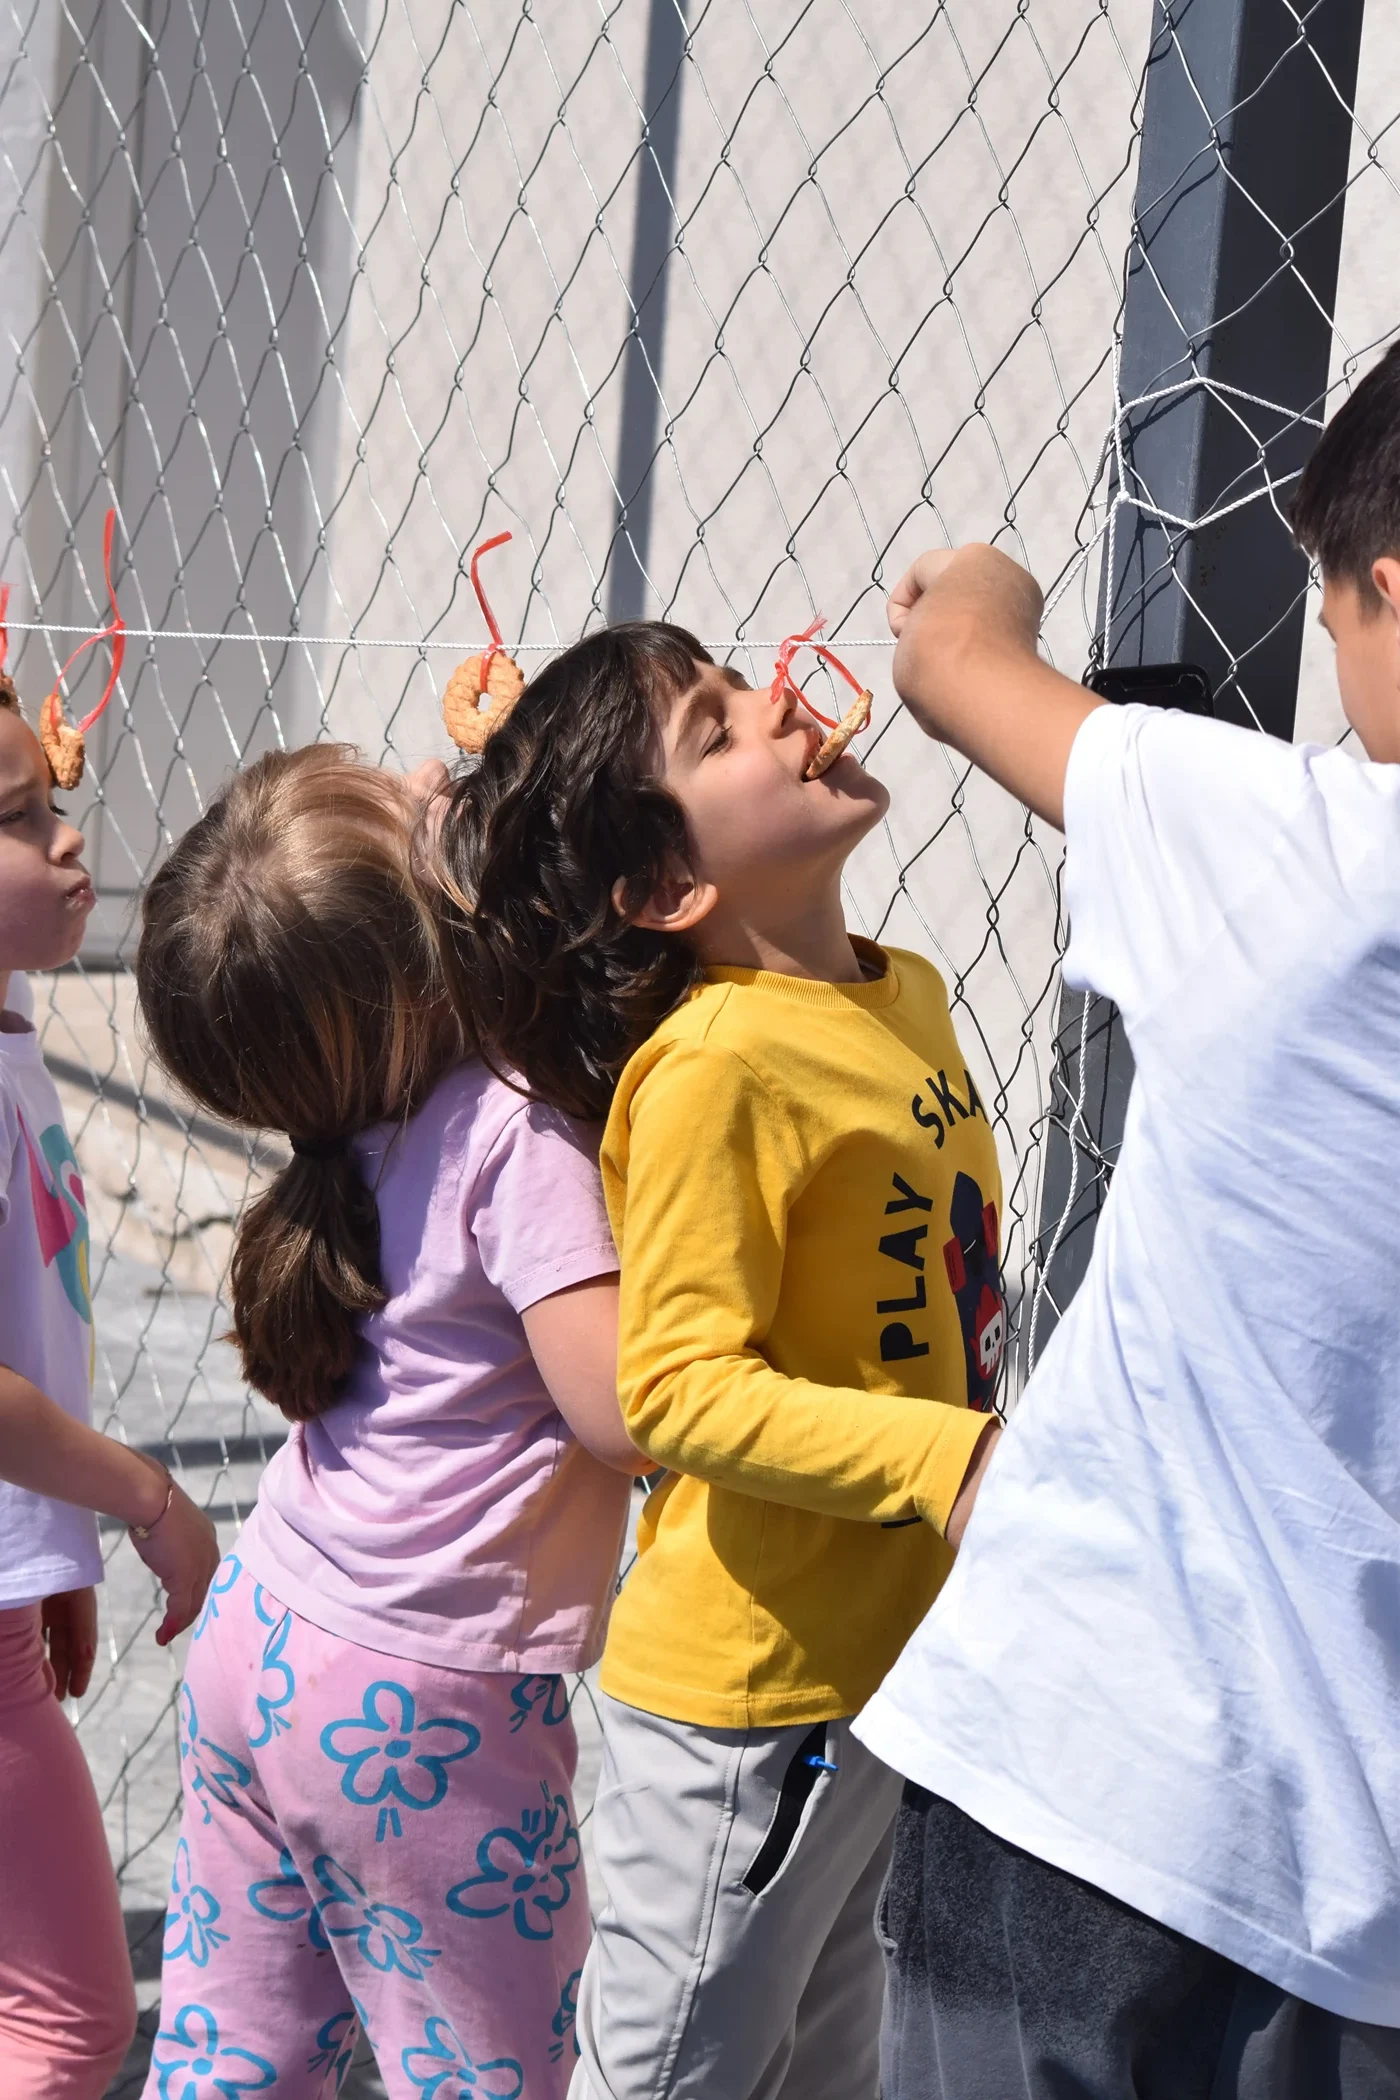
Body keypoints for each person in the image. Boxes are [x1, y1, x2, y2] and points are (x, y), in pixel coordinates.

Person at [856, 343, 1400, 2100]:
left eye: (1334, 617)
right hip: (1368, 1915)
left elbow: (954, 659)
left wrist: (983, 575)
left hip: (1083, 1771)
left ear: (1390, 590)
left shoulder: (1291, 847)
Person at [435, 622, 1004, 2100]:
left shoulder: (904, 991)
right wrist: (952, 1462)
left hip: (883, 1667)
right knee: (674, 2076)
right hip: (752, 1711)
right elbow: (676, 1391)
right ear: (667, 889)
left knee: (829, 2066)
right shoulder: (714, 1069)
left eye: (743, 684)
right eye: (718, 724)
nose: (782, 706)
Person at [134, 743, 644, 2100]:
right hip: (422, 1707)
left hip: (265, 1639)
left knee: (233, 2058)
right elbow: (620, 1413)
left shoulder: (351, 1125)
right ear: (425, 953)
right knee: (482, 2072)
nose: (441, 787)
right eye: (420, 813)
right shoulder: (515, 1133)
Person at [0, 679, 220, 2098]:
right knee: (67, 2028)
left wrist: (48, 1550)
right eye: (17, 817)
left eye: (53, 800)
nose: (69, 837)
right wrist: (140, 1497)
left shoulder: (12, 1018)